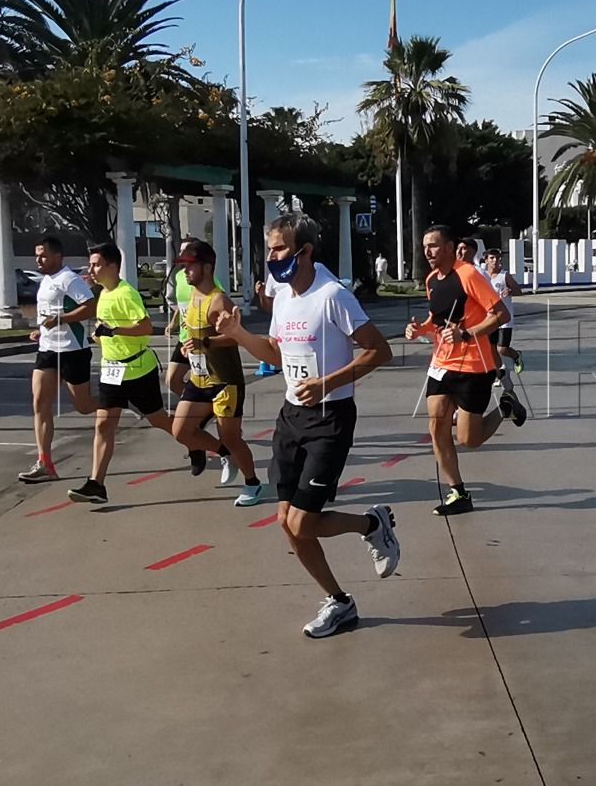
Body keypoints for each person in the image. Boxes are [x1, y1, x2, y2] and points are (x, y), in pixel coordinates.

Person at [214, 213, 401, 639]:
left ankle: (372, 527)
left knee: (301, 523)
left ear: (305, 251)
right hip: (291, 416)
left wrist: (327, 383)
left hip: (330, 418)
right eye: (270, 249)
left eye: (279, 249)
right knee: (286, 521)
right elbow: (278, 354)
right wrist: (240, 333)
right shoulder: (283, 296)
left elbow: (380, 351)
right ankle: (340, 602)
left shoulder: (332, 295)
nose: (272, 257)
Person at [406, 224, 524, 517]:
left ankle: (505, 407)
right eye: (424, 247)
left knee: (469, 439)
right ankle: (458, 492)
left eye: (433, 246)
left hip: (474, 365)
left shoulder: (468, 275)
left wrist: (467, 334)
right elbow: (437, 318)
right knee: (436, 427)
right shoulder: (432, 279)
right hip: (442, 364)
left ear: (449, 247)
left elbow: (500, 314)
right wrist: (419, 328)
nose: (428, 252)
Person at [66, 243, 177, 505]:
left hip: (138, 369)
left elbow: (147, 328)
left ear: (112, 266)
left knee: (159, 420)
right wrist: (101, 335)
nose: (91, 270)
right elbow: (109, 327)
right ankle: (96, 484)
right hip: (112, 370)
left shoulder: (127, 294)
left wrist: (114, 332)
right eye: (91, 264)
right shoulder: (103, 293)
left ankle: (205, 444)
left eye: (96, 264)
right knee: (103, 425)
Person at [173, 241, 264, 506]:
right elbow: (192, 333)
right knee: (181, 431)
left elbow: (237, 336)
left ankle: (252, 483)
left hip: (225, 382)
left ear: (207, 266)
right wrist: (189, 349)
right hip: (199, 378)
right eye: (184, 266)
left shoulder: (218, 300)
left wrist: (207, 342)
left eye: (190, 266)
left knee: (231, 436)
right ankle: (224, 453)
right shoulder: (192, 296)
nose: (185, 271)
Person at [19, 236, 97, 483]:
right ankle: (45, 463)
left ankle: (121, 401)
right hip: (47, 350)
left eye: (43, 255)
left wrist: (61, 320)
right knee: (40, 404)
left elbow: (90, 306)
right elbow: (48, 316)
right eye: (37, 255)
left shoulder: (69, 279)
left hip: (73, 350)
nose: (38, 260)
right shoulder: (46, 281)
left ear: (57, 256)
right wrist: (40, 330)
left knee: (83, 407)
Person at [165, 239, 227, 467]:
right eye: (181, 255)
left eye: (189, 259)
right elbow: (184, 307)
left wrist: (207, 341)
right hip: (187, 341)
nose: (184, 264)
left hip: (209, 355)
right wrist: (174, 324)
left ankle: (202, 416)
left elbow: (230, 330)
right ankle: (199, 419)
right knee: (171, 380)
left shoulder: (212, 289)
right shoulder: (184, 279)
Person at [483, 248, 524, 374]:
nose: (495, 261)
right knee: (491, 349)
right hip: (489, 318)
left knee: (501, 348)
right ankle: (499, 374)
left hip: (505, 318)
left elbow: (519, 291)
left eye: (497, 258)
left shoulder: (504, 276)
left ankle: (516, 356)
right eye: (492, 258)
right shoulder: (482, 276)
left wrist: (510, 291)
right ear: (486, 260)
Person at [252, 273, 281, 377]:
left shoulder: (317, 269)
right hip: (280, 321)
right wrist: (261, 293)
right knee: (273, 341)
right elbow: (267, 306)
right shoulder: (273, 275)